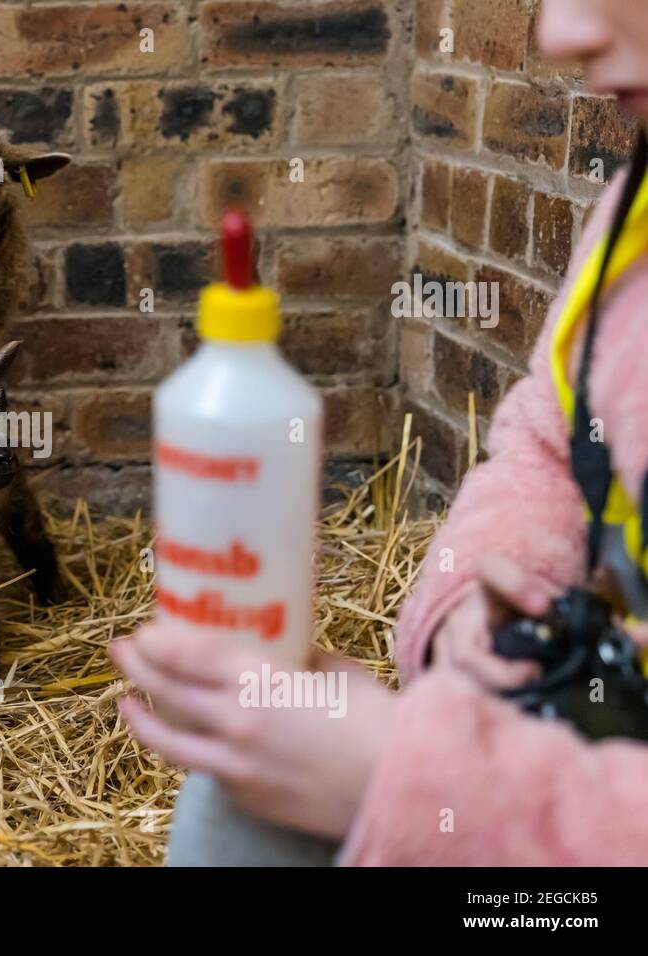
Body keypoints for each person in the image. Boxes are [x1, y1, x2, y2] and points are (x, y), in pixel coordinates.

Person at [112, 0, 648, 865]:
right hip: (592, 726)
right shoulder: (634, 220)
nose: (561, 33)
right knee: (237, 808)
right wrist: (473, 607)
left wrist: (413, 783)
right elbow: (551, 449)